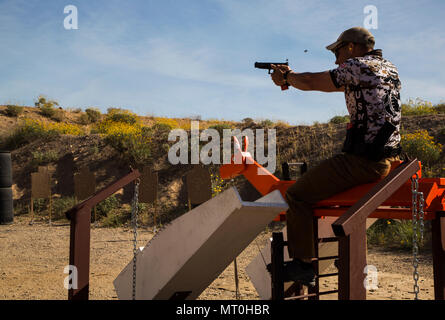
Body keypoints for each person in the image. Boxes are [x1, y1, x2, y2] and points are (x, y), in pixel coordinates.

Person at [268, 27, 402, 286]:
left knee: (297, 194)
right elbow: (328, 84)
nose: (336, 59)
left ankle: (303, 264)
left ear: (351, 47)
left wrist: (287, 78)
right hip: (384, 157)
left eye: (337, 51)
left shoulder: (357, 66)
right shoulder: (387, 68)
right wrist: (291, 79)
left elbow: (311, 82)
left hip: (364, 160)